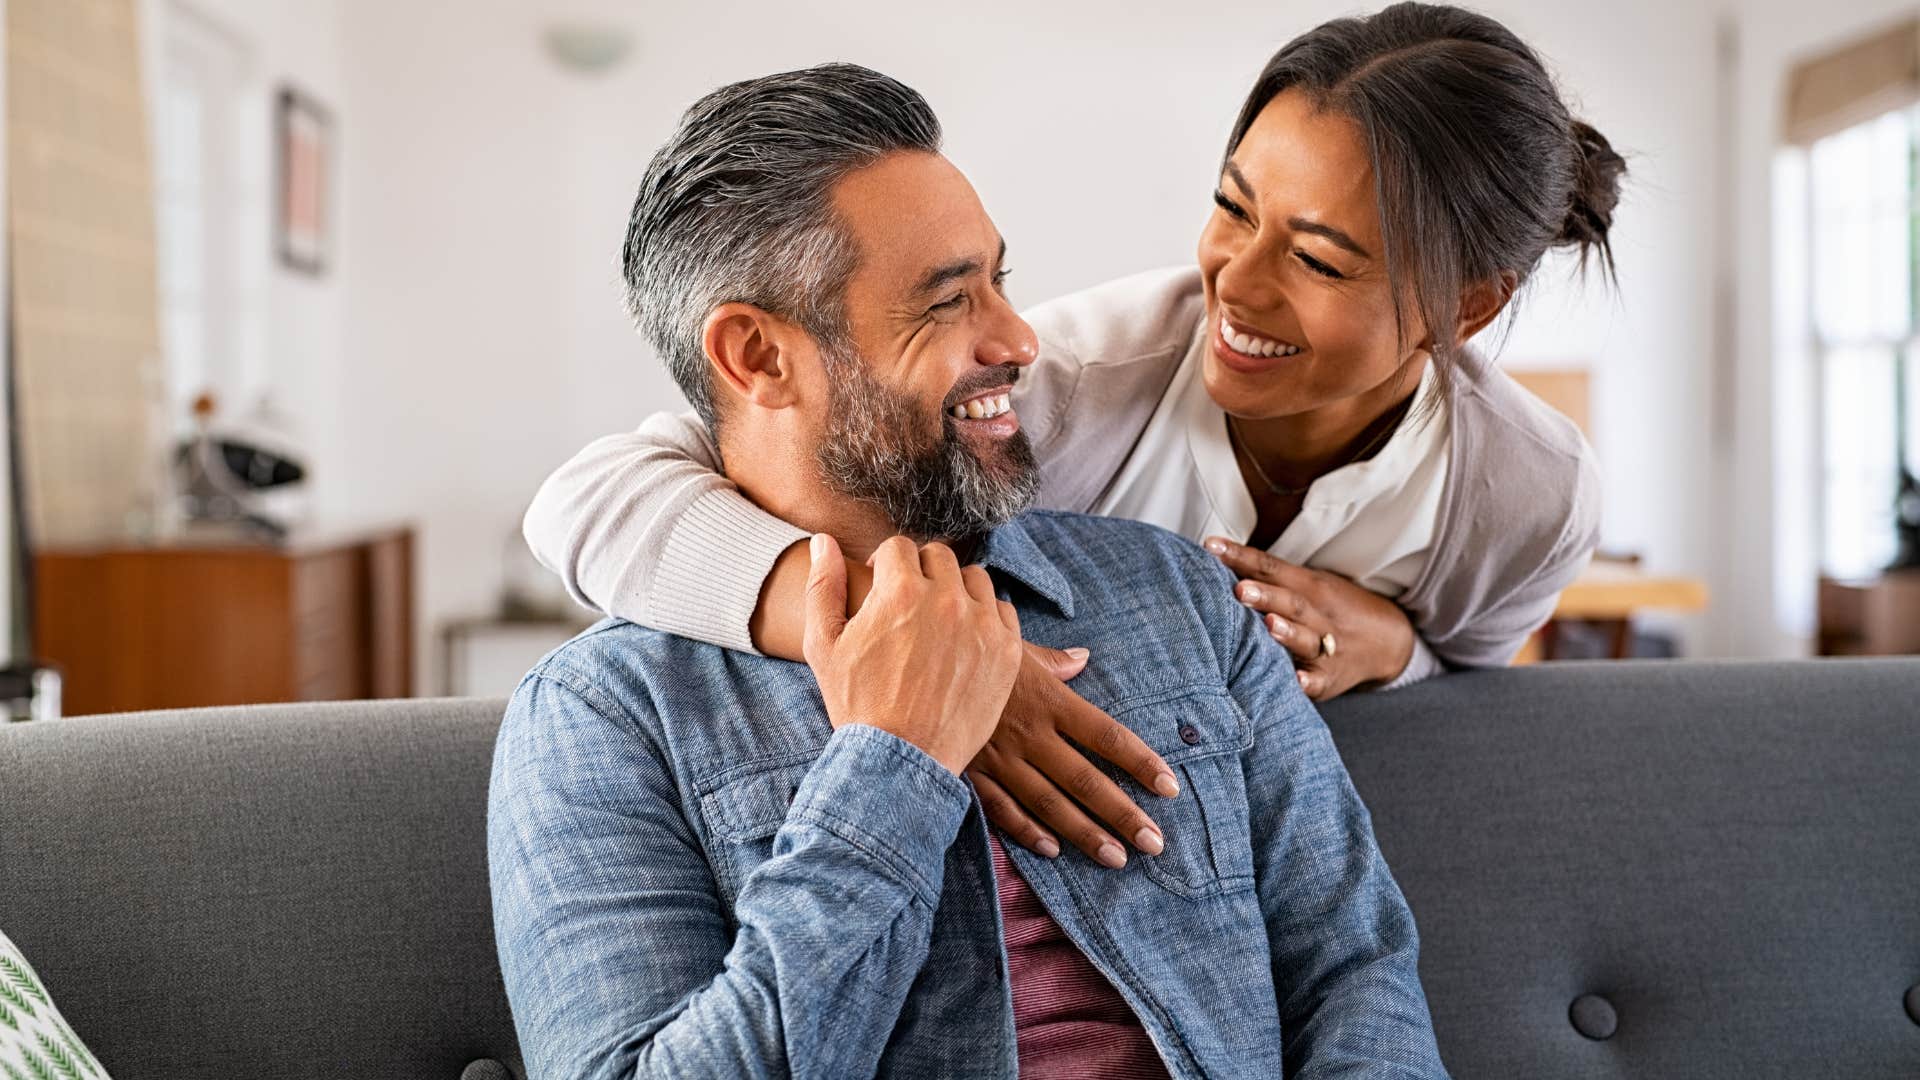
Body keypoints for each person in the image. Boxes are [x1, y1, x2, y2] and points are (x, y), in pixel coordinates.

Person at [489, 64, 1445, 1079]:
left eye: (1002, 280)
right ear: (758, 358)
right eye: (949, 302)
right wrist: (892, 762)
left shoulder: (1182, 598)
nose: (1020, 339)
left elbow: (1356, 968)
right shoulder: (603, 717)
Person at [523, 1, 1618, 869]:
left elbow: (1474, 693)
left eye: (1320, 259)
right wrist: (924, 652)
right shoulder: (1072, 383)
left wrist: (1398, 650)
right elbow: (589, 500)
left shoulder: (1529, 494)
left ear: (1465, 307)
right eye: (1232, 208)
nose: (1233, 281)